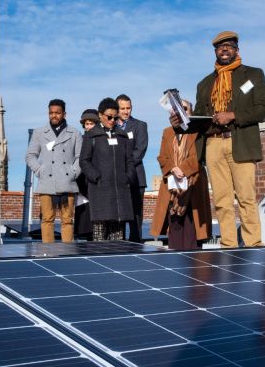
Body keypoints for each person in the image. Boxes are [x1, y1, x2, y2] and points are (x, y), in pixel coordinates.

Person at [170, 30, 265, 248]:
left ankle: (254, 244)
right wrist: (181, 120)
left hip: (240, 141)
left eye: (229, 45)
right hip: (213, 144)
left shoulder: (253, 75)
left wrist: (234, 115)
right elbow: (199, 119)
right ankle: (228, 245)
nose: (224, 49)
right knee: (222, 201)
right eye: (219, 46)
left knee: (246, 197)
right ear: (215, 51)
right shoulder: (205, 84)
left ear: (237, 49)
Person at [151, 99, 212, 250]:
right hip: (172, 186)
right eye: (177, 109)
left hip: (194, 183)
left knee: (192, 226)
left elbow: (199, 155)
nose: (181, 111)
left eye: (185, 108)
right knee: (175, 225)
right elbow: (162, 157)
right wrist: (173, 168)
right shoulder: (167, 132)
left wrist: (183, 169)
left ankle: (194, 265)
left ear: (190, 112)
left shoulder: (198, 130)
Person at [25, 99, 83, 243]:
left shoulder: (74, 133)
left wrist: (73, 173)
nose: (54, 115)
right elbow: (30, 155)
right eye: (51, 113)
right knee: (46, 220)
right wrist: (40, 171)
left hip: (67, 183)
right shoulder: (39, 132)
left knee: (67, 220)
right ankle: (47, 253)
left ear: (64, 114)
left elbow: (80, 157)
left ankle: (67, 253)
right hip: (47, 183)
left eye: (57, 113)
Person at [79, 98, 136, 241]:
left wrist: (128, 177)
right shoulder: (91, 135)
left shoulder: (122, 136)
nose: (112, 120)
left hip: (120, 193)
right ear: (100, 115)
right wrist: (96, 177)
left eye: (115, 117)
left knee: (117, 240)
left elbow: (129, 160)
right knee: (99, 238)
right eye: (109, 117)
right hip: (100, 192)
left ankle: (117, 262)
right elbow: (84, 161)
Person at [116, 94, 148, 243]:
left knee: (136, 215)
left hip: (136, 177)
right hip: (117, 178)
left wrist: (123, 166)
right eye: (122, 108)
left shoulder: (140, 125)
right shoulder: (111, 127)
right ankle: (120, 245)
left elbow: (140, 150)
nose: (125, 111)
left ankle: (135, 244)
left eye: (128, 108)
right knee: (119, 214)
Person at [74, 109, 98, 241]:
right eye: (86, 124)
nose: (88, 126)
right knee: (86, 225)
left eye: (91, 123)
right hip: (83, 185)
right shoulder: (80, 140)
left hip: (97, 184)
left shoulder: (101, 139)